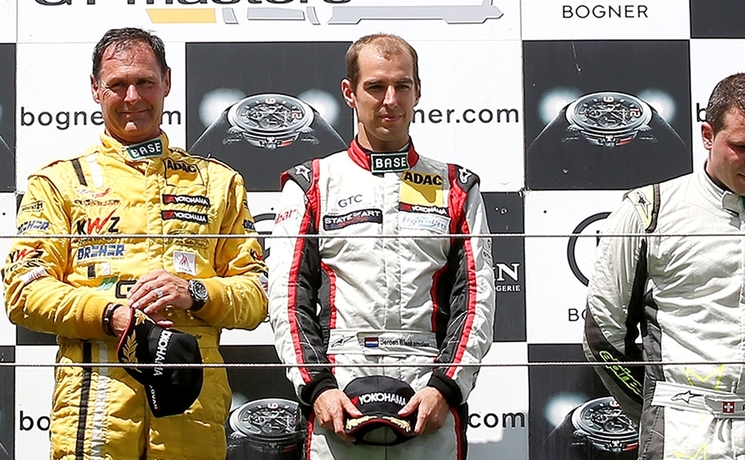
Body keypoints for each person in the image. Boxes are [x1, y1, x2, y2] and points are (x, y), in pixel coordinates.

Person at [2, 27, 268, 459]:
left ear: (166, 81)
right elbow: (23, 291)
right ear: (95, 89)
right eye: (117, 85)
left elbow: (256, 296)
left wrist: (195, 292)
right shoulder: (59, 183)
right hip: (94, 412)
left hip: (192, 413)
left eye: (144, 82)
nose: (132, 97)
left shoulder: (218, 182)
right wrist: (111, 315)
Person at [582, 72, 745, 459]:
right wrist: (660, 410)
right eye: (741, 146)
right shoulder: (649, 210)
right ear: (707, 135)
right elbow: (603, 333)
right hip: (683, 430)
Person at [267, 33, 495, 459]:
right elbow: (285, 298)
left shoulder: (456, 186)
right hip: (340, 388)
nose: (390, 99)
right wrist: (317, 388)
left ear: (418, 91)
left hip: (428, 390)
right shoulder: (312, 182)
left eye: (402, 85)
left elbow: (477, 298)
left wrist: (446, 387)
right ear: (350, 93)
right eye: (375, 86)